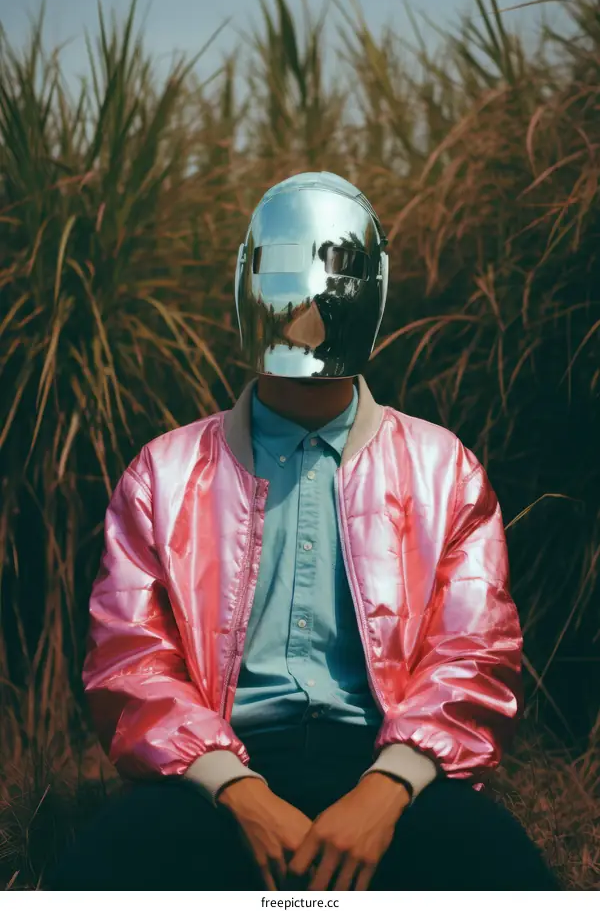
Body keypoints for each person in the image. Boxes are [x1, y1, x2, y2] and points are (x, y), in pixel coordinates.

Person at [45, 172, 559, 891]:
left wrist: (387, 790)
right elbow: (130, 659)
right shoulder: (162, 473)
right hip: (212, 774)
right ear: (248, 281)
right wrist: (238, 792)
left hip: (392, 769)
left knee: (510, 877)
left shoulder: (446, 469)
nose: (310, 297)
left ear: (370, 289)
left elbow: (474, 652)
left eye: (336, 274)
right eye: (284, 268)